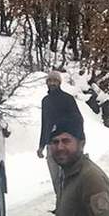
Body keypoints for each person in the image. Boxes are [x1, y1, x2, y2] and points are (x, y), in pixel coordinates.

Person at [37, 70, 84, 207]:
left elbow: (78, 119)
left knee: (67, 173)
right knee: (54, 175)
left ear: (59, 83)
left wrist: (78, 140)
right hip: (51, 143)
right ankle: (61, 202)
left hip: (67, 142)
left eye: (55, 81)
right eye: (50, 81)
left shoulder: (68, 99)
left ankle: (69, 202)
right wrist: (41, 145)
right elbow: (45, 123)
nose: (52, 83)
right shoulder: (45, 101)